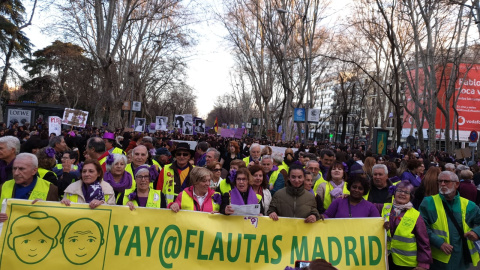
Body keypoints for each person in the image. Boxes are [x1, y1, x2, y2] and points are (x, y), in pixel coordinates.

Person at [419, 171, 480, 269]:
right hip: (438, 260)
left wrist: (477, 232)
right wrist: (439, 242)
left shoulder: (469, 205)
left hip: (461, 260)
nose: (442, 184)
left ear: (456, 184)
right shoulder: (428, 202)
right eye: (440, 181)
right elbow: (421, 227)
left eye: (446, 181)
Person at [379, 181, 432, 270]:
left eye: (406, 192)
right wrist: (349, 198)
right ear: (394, 193)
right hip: (386, 259)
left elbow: (423, 241)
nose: (402, 194)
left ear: (411, 197)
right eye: (399, 191)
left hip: (407, 264)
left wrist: (423, 264)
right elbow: (365, 206)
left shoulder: (416, 215)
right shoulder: (383, 207)